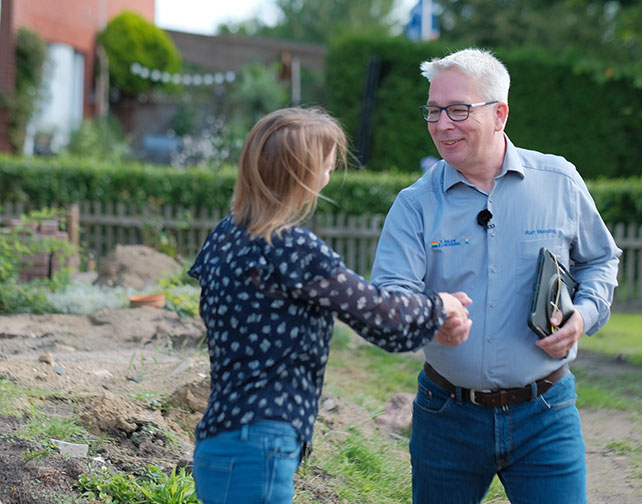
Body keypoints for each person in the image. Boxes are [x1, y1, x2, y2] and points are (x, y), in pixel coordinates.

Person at [370, 48, 621, 504]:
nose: (442, 124)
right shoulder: (414, 205)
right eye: (433, 110)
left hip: (547, 412)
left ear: (499, 113)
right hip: (446, 416)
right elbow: (392, 297)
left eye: (458, 109)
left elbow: (601, 260)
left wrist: (582, 316)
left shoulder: (559, 182)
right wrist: (429, 319)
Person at [187, 107, 471, 504]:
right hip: (260, 443)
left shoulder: (225, 236)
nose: (330, 173)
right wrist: (439, 305)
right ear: (302, 173)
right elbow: (378, 315)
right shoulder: (291, 249)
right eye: (326, 165)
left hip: (218, 438)